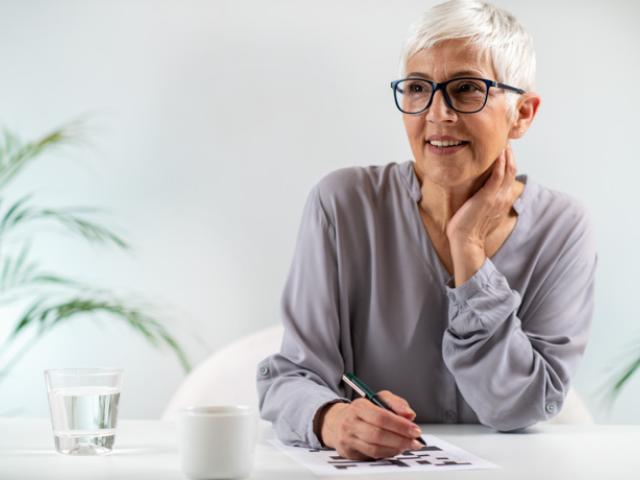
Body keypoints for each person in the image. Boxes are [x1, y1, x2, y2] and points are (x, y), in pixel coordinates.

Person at [256, 0, 597, 461]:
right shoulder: (342, 204)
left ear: (523, 114)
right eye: (418, 88)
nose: (438, 114)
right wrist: (334, 419)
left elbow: (520, 407)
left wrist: (469, 249)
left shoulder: (562, 228)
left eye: (466, 89)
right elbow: (289, 378)